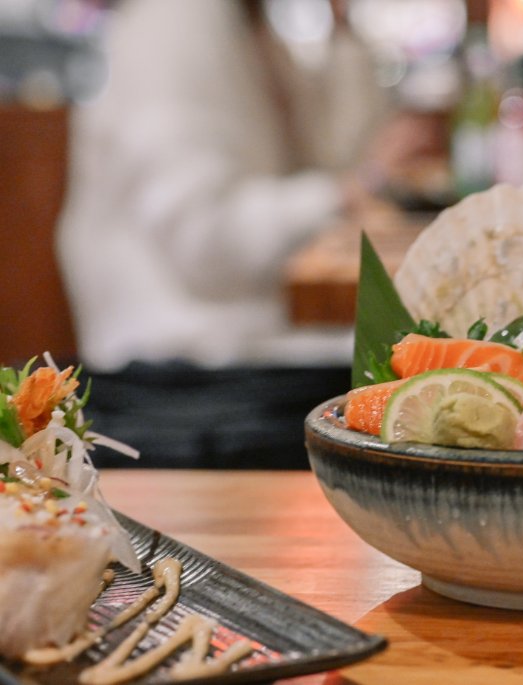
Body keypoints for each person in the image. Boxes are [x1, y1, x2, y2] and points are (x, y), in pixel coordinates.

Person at [57, 0, 430, 468]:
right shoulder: (176, 24)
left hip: (237, 365)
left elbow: (337, 155)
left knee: (426, 357)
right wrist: (342, 193)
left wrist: (343, 30)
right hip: (182, 386)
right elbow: (207, 242)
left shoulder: (246, 22)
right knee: (425, 372)